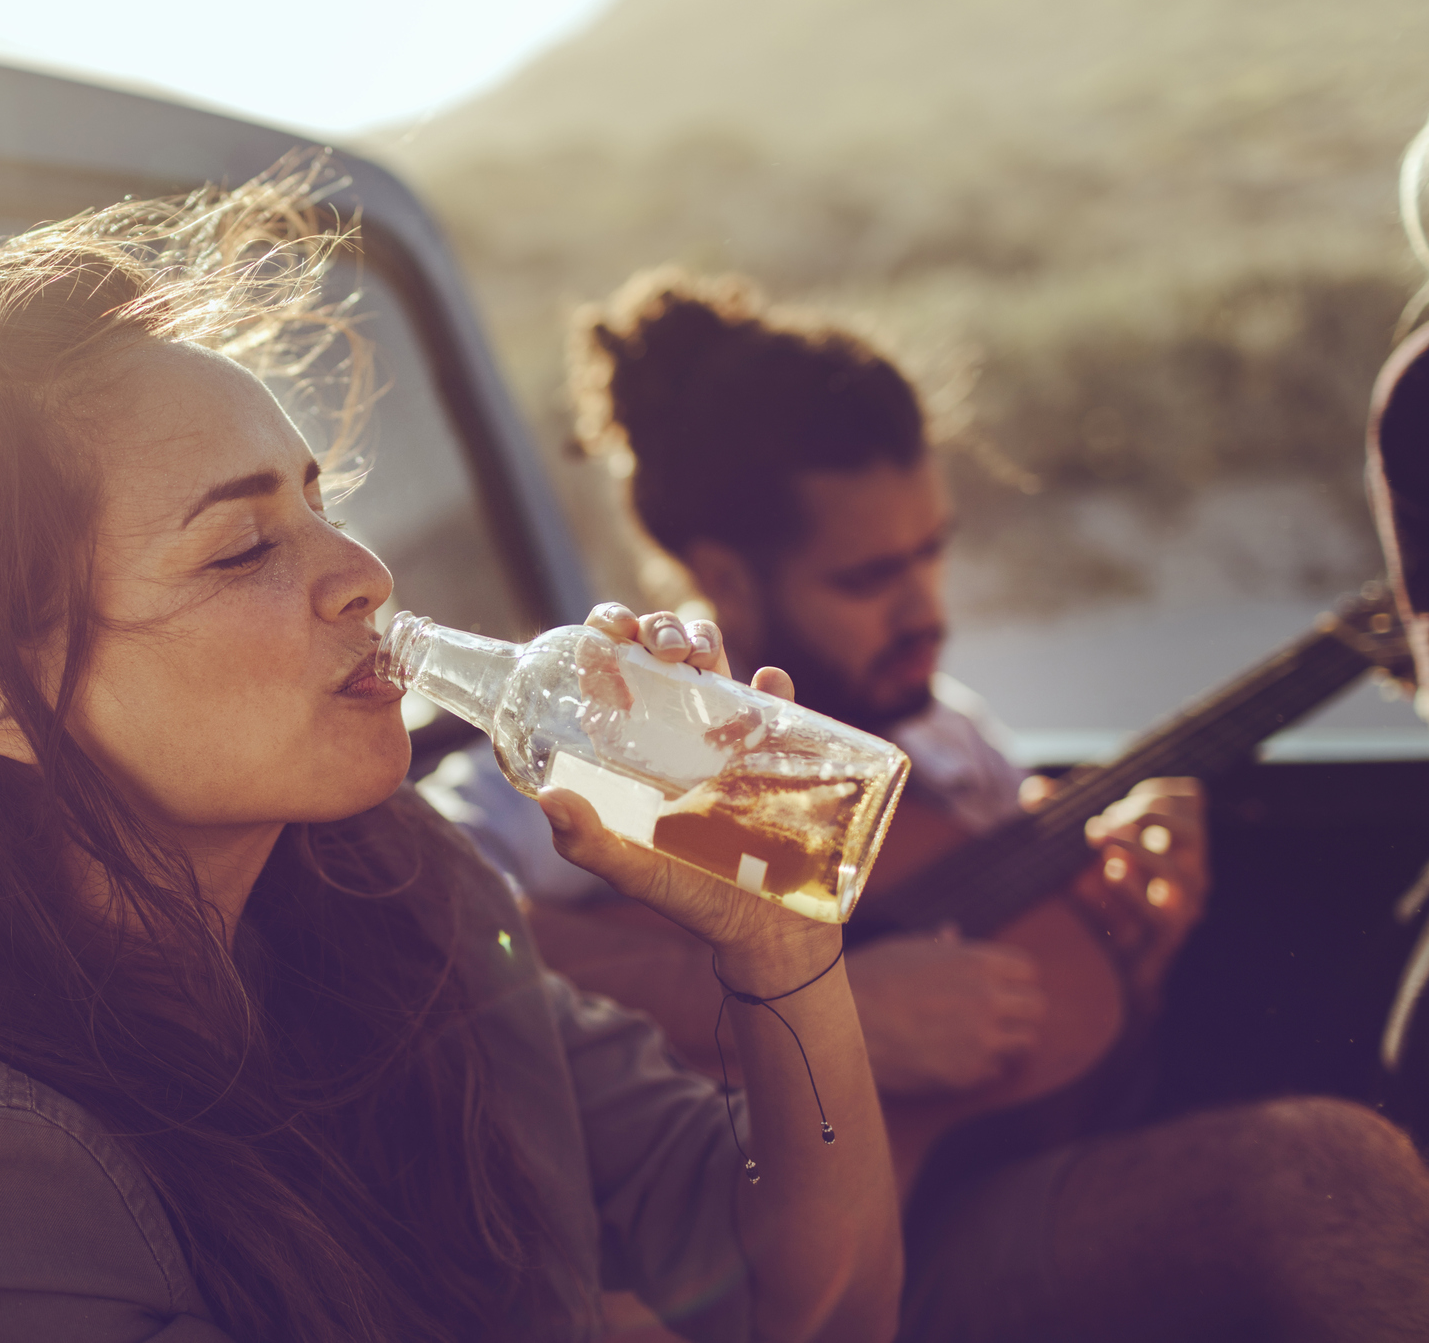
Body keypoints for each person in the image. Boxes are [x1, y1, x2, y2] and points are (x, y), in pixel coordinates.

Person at [0, 179, 903, 1343]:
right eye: (242, 548)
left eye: (319, 502)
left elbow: (806, 1301)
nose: (363, 575)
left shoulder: (409, 893)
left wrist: (775, 945)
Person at [424, 270, 1429, 1342]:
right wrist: (829, 1004)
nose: (925, 611)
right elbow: (434, 935)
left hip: (949, 1198)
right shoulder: (588, 742)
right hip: (738, 1262)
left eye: (933, 553)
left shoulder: (959, 754)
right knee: (1320, 1175)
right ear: (729, 574)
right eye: (866, 578)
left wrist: (1132, 947)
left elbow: (1050, 1092)